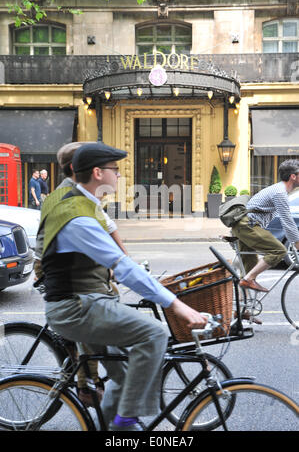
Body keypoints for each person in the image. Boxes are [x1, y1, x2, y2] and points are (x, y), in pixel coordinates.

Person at [41, 142, 207, 432]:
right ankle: (126, 423)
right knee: (154, 334)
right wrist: (177, 305)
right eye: (114, 170)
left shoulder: (74, 199)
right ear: (96, 173)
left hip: (84, 300)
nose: (119, 176)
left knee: (122, 373)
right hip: (77, 307)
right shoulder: (78, 216)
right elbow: (122, 265)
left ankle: (112, 428)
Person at [34, 141, 127, 408]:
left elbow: (107, 227)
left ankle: (83, 375)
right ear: (80, 168)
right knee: (90, 326)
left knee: (98, 313)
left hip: (63, 267)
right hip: (67, 275)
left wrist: (117, 264)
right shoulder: (72, 196)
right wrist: (120, 264)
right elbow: (104, 232)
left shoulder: (75, 191)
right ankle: (87, 386)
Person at [232, 159, 299, 294]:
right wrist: (297, 242)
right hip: (248, 226)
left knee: (248, 268)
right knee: (279, 251)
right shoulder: (280, 192)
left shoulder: (279, 189)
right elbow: (287, 220)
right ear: (293, 176)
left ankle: (244, 310)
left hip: (244, 226)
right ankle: (249, 279)